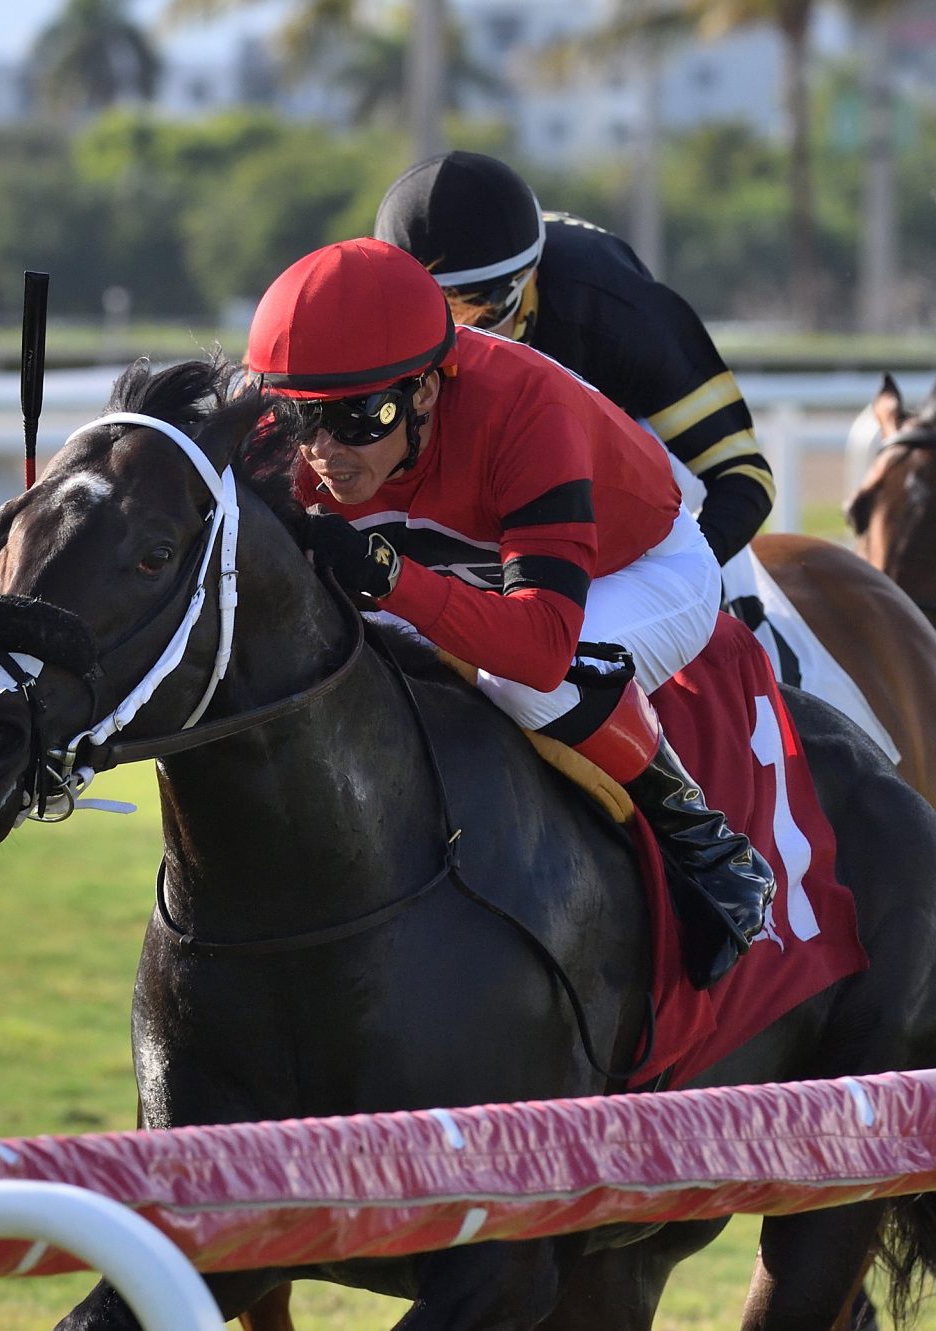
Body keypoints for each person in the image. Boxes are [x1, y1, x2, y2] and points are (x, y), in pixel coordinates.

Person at [246, 237, 775, 988]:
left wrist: (394, 582)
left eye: (358, 416)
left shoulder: (525, 408)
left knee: (517, 681)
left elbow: (540, 647)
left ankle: (710, 849)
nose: (324, 453)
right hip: (479, 563)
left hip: (642, 569)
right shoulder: (308, 427)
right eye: (303, 419)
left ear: (426, 389)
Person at [373, 151, 773, 579]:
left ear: (524, 281)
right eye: (425, 317)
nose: (456, 345)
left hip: (638, 456)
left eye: (476, 315)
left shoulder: (620, 312)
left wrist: (686, 581)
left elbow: (744, 476)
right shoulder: (366, 306)